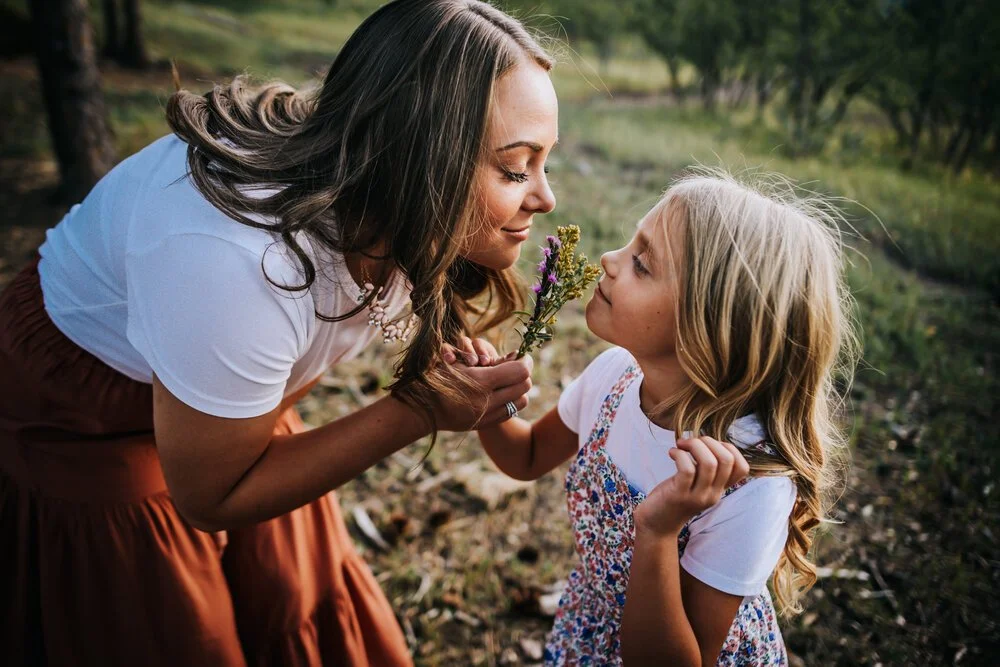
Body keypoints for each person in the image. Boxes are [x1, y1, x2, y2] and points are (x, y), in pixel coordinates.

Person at [0, 1, 558, 665]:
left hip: (233, 404)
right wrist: (421, 409)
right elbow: (211, 494)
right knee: (177, 631)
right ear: (419, 156)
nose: (545, 196)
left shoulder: (388, 200)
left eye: (542, 161)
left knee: (291, 592)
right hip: (86, 419)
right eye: (517, 166)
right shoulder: (240, 260)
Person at [475, 168, 859, 665]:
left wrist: (657, 530)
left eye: (642, 264)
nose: (610, 262)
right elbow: (525, 457)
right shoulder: (614, 376)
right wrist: (486, 401)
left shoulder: (750, 482)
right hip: (591, 635)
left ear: (710, 324)